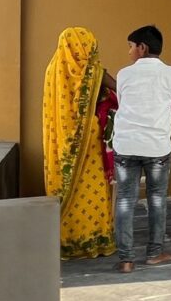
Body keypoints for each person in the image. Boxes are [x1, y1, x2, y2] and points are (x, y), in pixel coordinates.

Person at [112, 25, 171, 273]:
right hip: (156, 146)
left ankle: (125, 259)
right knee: (156, 199)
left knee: (125, 200)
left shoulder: (124, 75)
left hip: (125, 145)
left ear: (142, 47)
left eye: (131, 46)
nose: (130, 52)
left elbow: (124, 105)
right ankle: (154, 253)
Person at [42, 27, 118, 260]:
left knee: (75, 194)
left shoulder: (53, 70)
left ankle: (67, 240)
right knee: (93, 193)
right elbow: (118, 88)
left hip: (61, 146)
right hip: (91, 145)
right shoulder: (93, 72)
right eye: (91, 47)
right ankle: (94, 238)